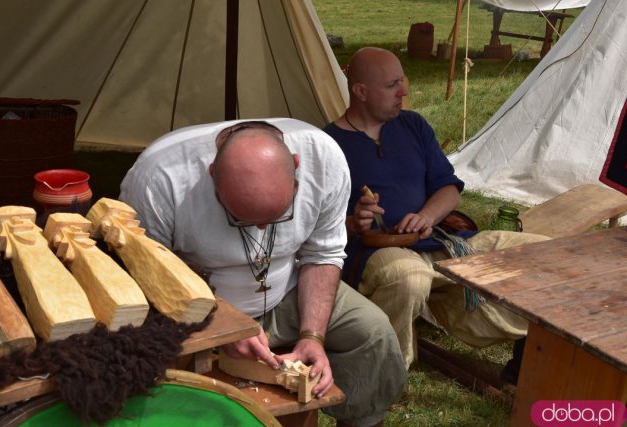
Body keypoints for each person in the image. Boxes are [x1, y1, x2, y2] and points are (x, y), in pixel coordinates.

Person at [119, 118, 406, 426]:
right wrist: (222, 325)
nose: (260, 229)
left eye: (276, 216)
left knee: (374, 333)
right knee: (145, 375)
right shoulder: (161, 178)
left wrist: (313, 336)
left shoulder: (323, 159)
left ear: (296, 165)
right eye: (242, 217)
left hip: (289, 290)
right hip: (198, 305)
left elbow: (322, 253)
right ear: (213, 174)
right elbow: (149, 278)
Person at [323, 47, 551, 376]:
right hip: (376, 254)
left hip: (443, 241)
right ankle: (385, 374)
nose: (403, 92)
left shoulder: (413, 125)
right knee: (410, 276)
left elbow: (448, 187)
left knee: (542, 250)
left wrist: (427, 216)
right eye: (391, 85)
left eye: (402, 81)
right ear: (360, 91)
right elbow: (317, 229)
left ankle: (529, 357)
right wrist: (354, 222)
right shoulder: (329, 145)